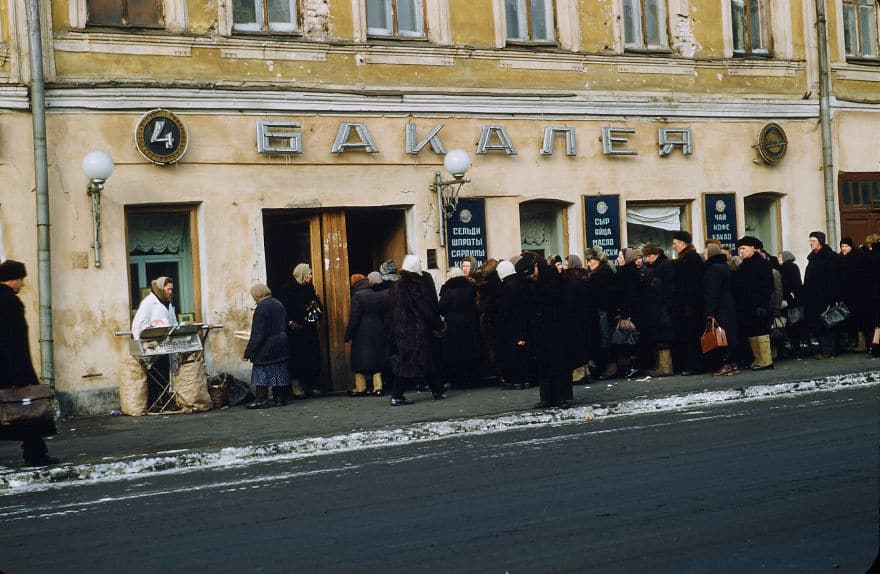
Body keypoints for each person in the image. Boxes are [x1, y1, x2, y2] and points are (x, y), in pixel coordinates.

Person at [0, 260, 58, 466]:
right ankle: (35, 454)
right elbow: (15, 342)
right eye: (21, 279)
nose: (22, 284)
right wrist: (24, 374)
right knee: (29, 413)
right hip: (14, 369)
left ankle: (35, 453)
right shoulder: (10, 302)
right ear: (13, 279)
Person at [388, 255, 445, 405]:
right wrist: (436, 324)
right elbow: (424, 308)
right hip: (416, 330)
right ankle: (398, 395)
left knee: (410, 362)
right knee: (423, 361)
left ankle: (436, 390)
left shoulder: (396, 285)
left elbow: (392, 310)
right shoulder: (416, 284)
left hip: (401, 330)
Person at [131, 276, 178, 408]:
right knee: (154, 374)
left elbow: (172, 321)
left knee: (165, 372)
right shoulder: (148, 303)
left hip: (165, 345)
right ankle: (154, 402)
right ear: (161, 288)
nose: (170, 292)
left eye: (171, 289)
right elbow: (138, 324)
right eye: (168, 289)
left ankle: (164, 400)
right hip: (152, 346)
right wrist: (151, 331)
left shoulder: (167, 302)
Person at [278, 263, 323, 398]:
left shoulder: (309, 288)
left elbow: (315, 302)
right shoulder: (287, 289)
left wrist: (316, 306)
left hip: (308, 329)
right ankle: (296, 387)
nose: (310, 276)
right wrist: (289, 322)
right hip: (294, 331)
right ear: (301, 274)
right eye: (309, 273)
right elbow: (283, 309)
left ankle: (310, 385)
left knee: (311, 358)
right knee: (296, 359)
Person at [243, 284, 289, 409]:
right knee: (278, 370)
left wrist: (248, 353)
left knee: (260, 371)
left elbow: (258, 334)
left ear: (257, 295)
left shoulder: (261, 308)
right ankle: (280, 399)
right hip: (281, 342)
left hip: (266, 346)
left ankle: (261, 400)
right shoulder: (278, 303)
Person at [344, 272, 390, 397]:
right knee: (377, 360)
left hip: (361, 332)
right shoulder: (378, 293)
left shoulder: (357, 296)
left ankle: (360, 388)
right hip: (378, 329)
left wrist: (348, 334)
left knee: (359, 362)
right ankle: (378, 387)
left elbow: (355, 317)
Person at [733, 236, 774, 370]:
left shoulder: (761, 264)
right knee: (752, 332)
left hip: (759, 304)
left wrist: (762, 304)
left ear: (752, 248)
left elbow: (767, 286)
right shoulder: (745, 264)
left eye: (743, 248)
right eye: (739, 249)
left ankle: (766, 361)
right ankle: (758, 359)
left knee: (761, 331)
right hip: (747, 305)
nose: (741, 252)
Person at [802, 231, 843, 359]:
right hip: (813, 297)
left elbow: (833, 278)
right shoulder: (812, 257)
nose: (811, 243)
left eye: (813, 241)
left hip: (825, 296)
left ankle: (829, 350)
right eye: (810, 241)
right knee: (818, 324)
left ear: (820, 241)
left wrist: (832, 297)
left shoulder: (829, 257)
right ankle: (824, 349)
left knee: (828, 323)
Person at [438, 267, 482, 389]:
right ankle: (472, 379)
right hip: (471, 322)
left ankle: (457, 380)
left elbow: (441, 307)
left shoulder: (448, 289)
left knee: (455, 353)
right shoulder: (471, 287)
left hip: (453, 325)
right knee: (470, 350)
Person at [495, 258, 534, 391]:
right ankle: (526, 379)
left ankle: (516, 380)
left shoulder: (507, 287)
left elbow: (505, 310)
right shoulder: (522, 282)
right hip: (524, 324)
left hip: (511, 327)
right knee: (524, 353)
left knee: (513, 354)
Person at [671, 230, 704, 375]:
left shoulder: (691, 258)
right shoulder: (687, 257)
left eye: (675, 243)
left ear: (683, 243)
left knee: (692, 337)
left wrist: (689, 304)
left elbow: (692, 284)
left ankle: (694, 366)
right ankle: (689, 365)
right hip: (687, 305)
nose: (673, 246)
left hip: (690, 306)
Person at [703, 244, 739, 376]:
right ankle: (732, 364)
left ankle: (725, 365)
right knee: (728, 335)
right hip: (728, 306)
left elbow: (712, 292)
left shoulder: (713, 268)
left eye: (706, 253)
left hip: (719, 308)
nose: (704, 255)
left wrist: (709, 312)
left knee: (720, 337)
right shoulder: (724, 266)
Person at [642, 243, 675, 377]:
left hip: (661, 308)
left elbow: (666, 288)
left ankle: (665, 367)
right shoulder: (657, 266)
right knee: (659, 337)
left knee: (662, 337)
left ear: (656, 255)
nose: (647, 259)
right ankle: (661, 366)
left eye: (649, 256)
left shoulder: (664, 266)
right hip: (657, 308)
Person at [612, 248, 644, 379]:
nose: (618, 259)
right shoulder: (625, 272)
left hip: (631, 313)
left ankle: (634, 366)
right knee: (627, 341)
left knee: (631, 341)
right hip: (627, 312)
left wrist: (624, 312)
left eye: (620, 256)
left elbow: (631, 296)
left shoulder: (630, 273)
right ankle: (631, 366)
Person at [586, 247, 616, 380]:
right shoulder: (599, 272)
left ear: (597, 260)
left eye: (590, 260)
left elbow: (604, 294)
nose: (588, 263)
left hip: (603, 310)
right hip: (600, 310)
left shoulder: (603, 273)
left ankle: (608, 367)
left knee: (605, 338)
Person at [839, 237, 870, 353]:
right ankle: (853, 341)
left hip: (858, 294)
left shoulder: (858, 257)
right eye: (842, 246)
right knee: (849, 319)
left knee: (858, 318)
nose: (844, 249)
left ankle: (861, 343)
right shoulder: (840, 258)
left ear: (851, 246)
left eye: (846, 246)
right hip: (846, 294)